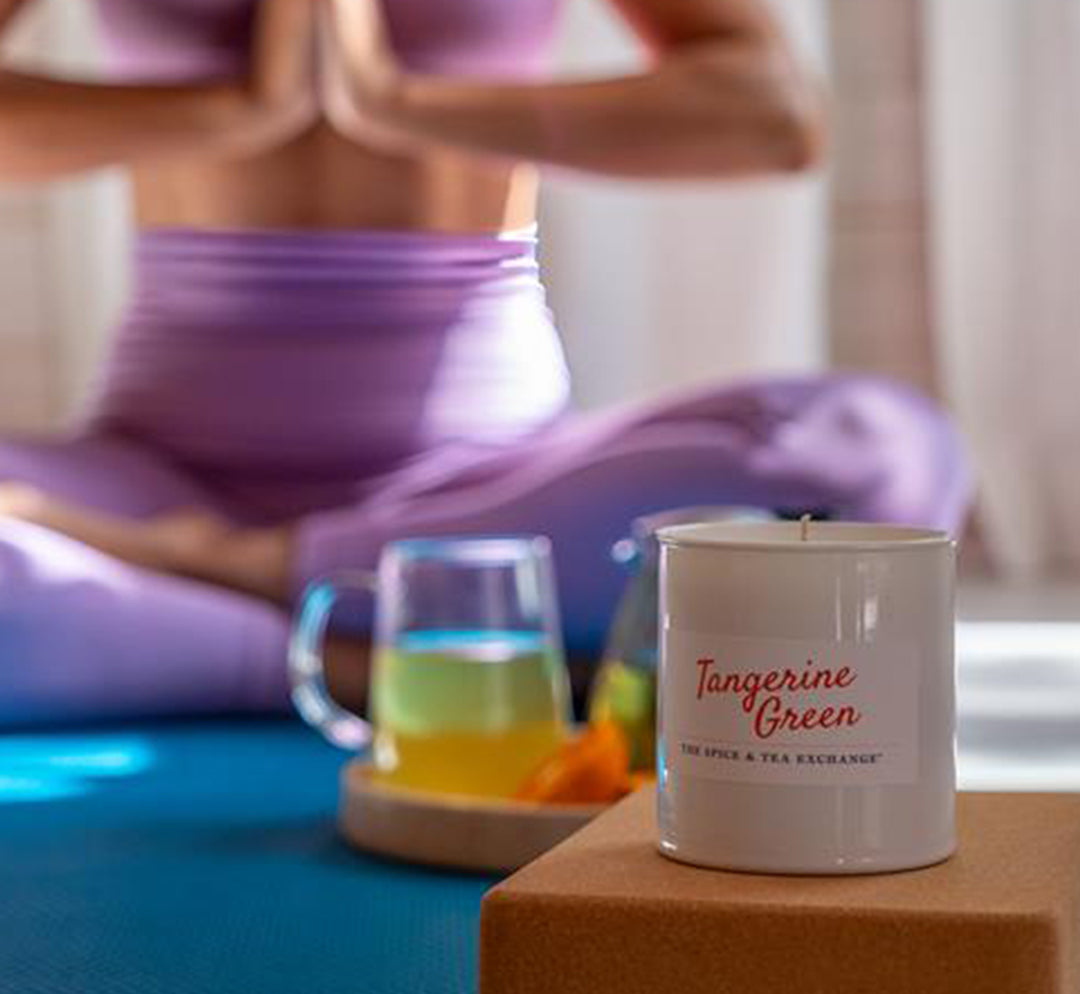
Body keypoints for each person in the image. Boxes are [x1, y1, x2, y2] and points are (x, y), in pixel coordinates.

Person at [0, 0, 968, 721]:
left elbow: (771, 116)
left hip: (485, 487)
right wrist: (238, 108)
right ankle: (371, 663)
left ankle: (200, 579)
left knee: (870, 457)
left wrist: (394, 102)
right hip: (151, 471)